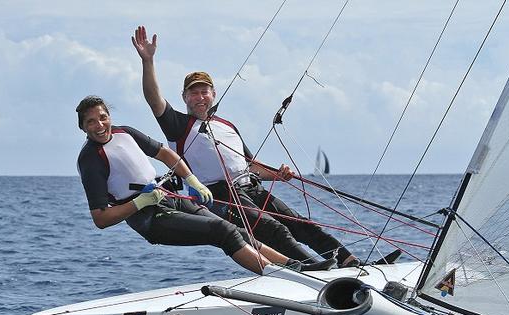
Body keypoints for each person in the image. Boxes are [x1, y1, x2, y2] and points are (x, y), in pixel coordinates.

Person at [130, 25, 398, 268]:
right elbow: (154, 100)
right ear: (185, 97)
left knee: (301, 224)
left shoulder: (227, 125)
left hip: (251, 187)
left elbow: (250, 165)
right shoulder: (179, 124)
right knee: (273, 230)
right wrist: (148, 61)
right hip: (221, 194)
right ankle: (317, 270)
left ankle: (352, 263)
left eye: (205, 91)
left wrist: (278, 174)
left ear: (213, 94)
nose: (200, 97)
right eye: (194, 93)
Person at [75, 95, 335, 275]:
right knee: (222, 231)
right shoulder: (90, 160)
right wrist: (139, 202)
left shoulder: (125, 132)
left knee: (236, 231)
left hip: (167, 196)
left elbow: (166, 154)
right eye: (91, 122)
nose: (100, 125)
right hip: (149, 218)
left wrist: (192, 180)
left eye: (103, 117)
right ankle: (280, 274)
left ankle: (295, 267)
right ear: (83, 128)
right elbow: (101, 218)